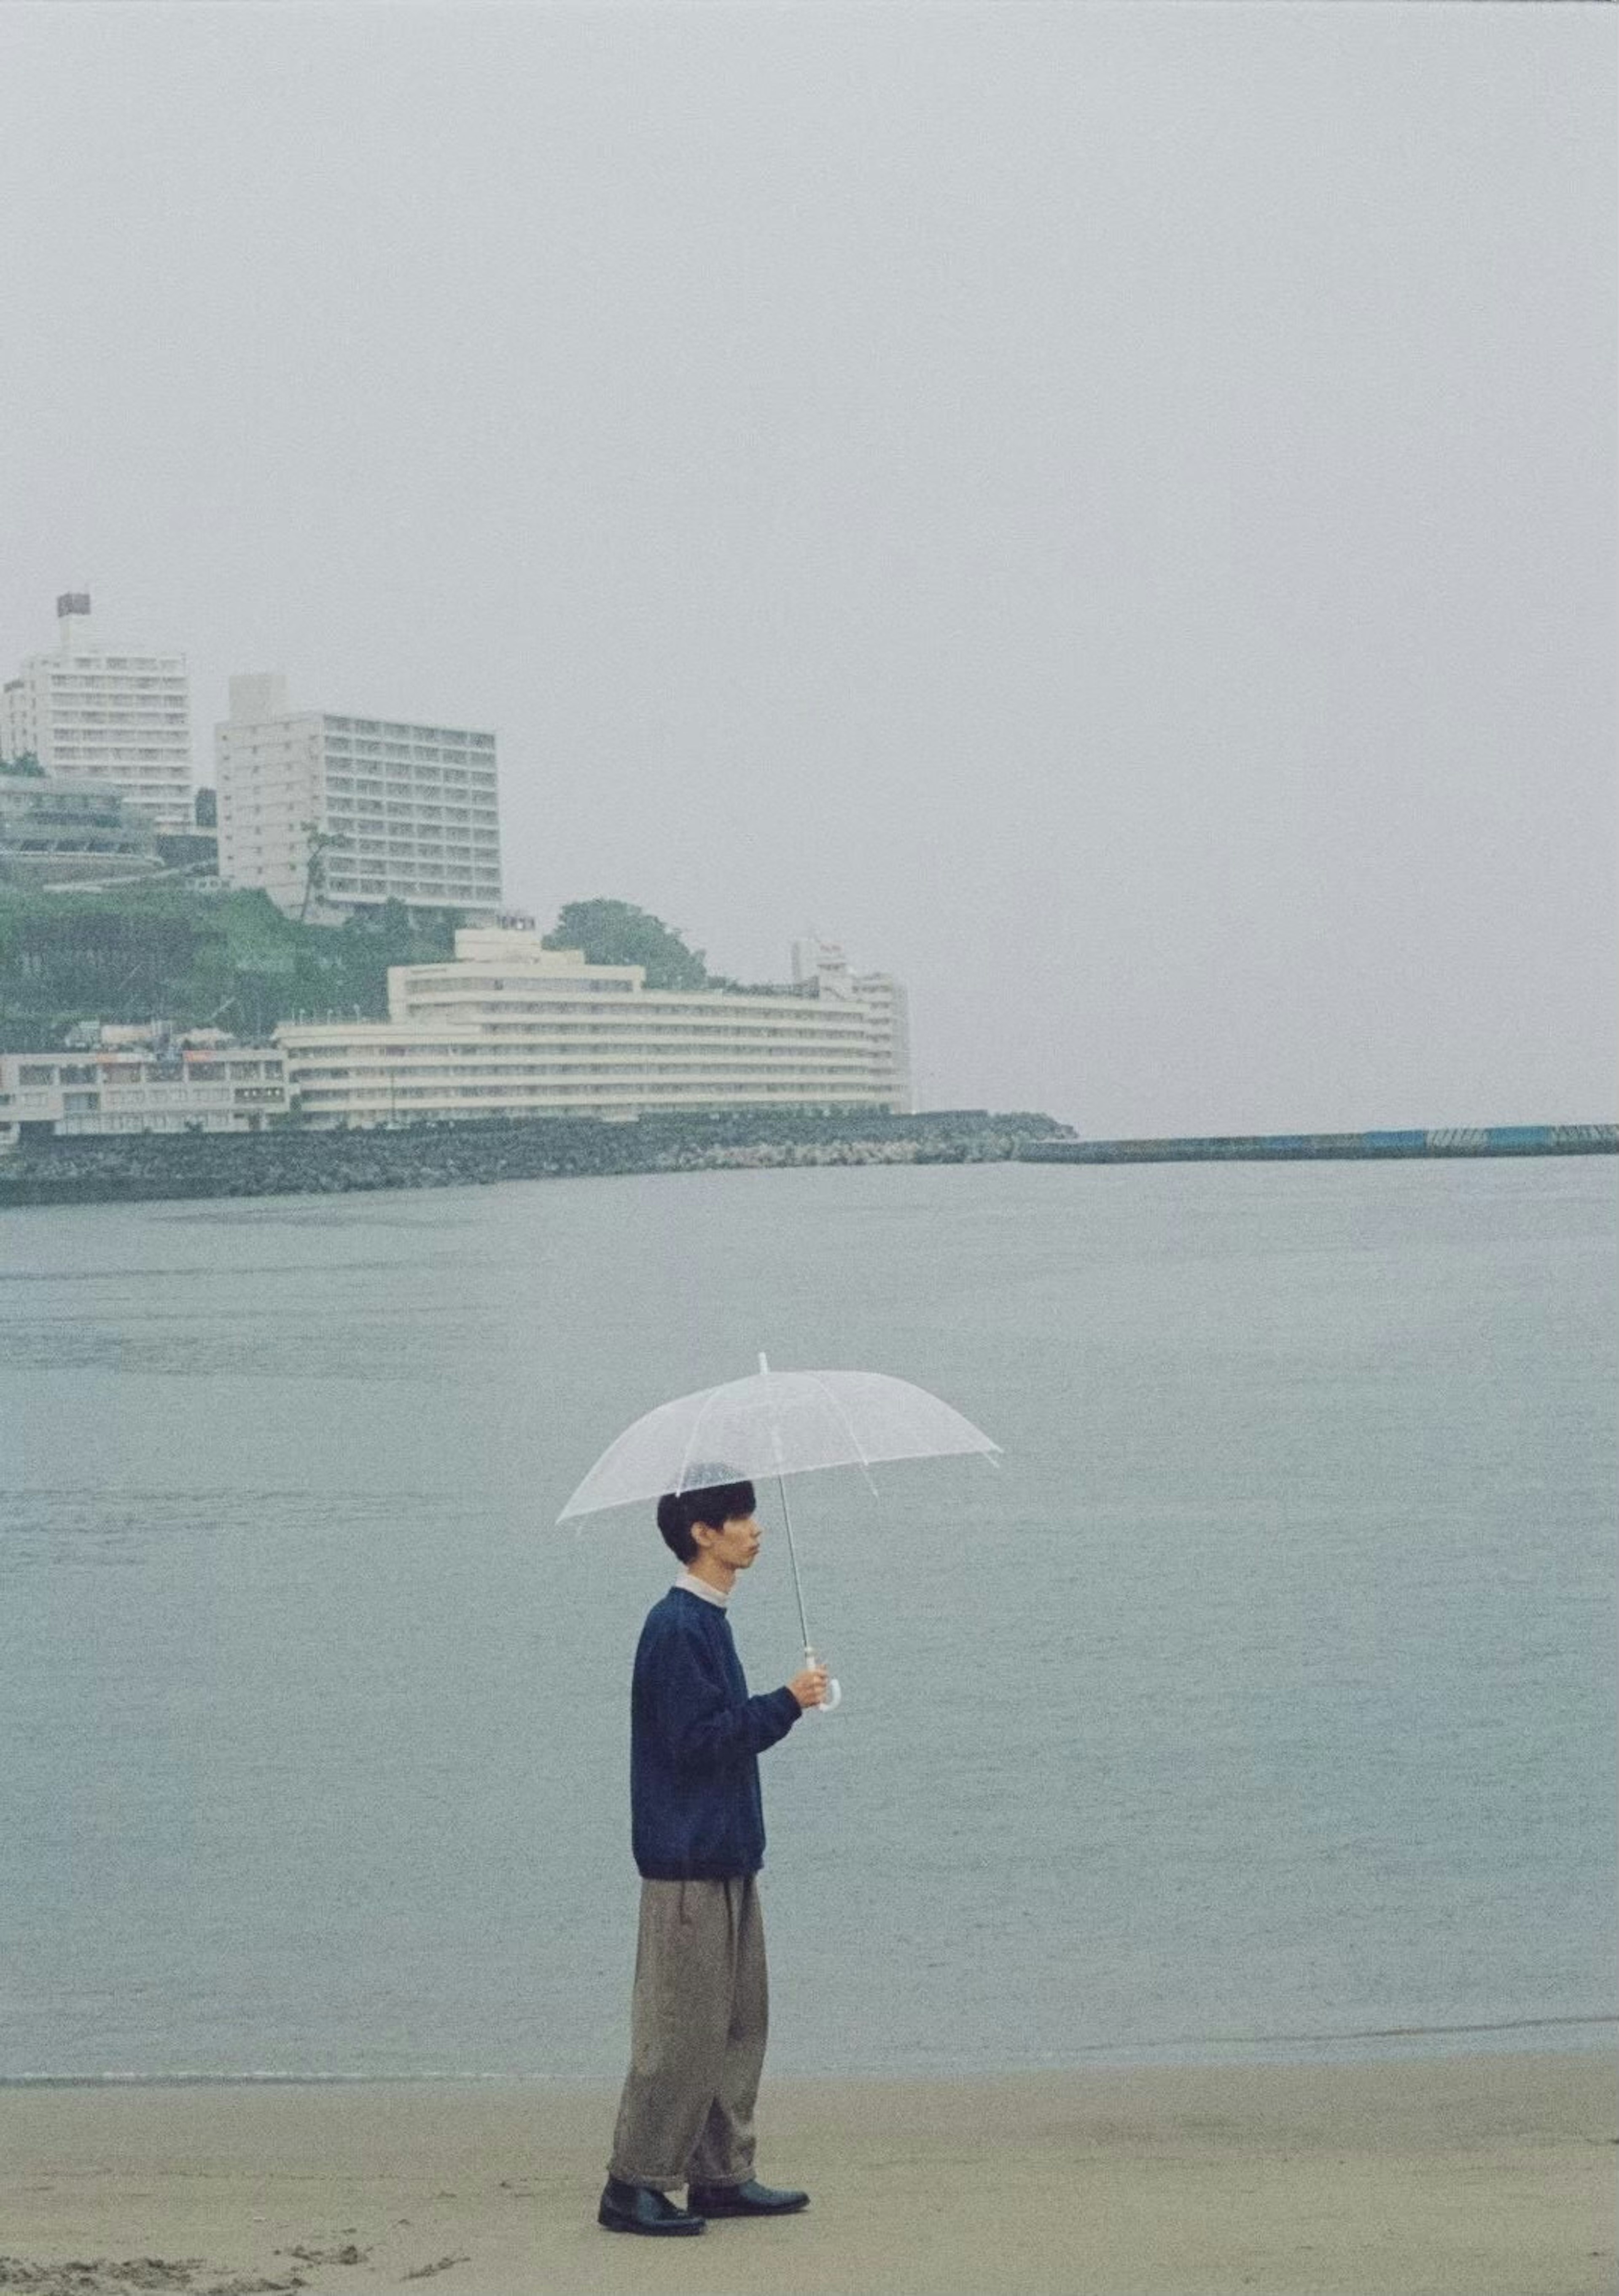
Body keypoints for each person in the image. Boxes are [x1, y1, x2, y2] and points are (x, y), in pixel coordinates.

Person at [597, 1468, 828, 2238]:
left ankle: (721, 2176)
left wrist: (777, 1707)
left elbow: (716, 1738)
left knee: (739, 2023)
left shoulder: (710, 1618)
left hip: (728, 1856)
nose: (755, 1529)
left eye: (754, 1515)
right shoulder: (675, 1627)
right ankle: (634, 2184)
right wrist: (785, 1703)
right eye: (741, 1516)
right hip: (686, 1865)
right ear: (703, 1533)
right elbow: (694, 1745)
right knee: (680, 2033)